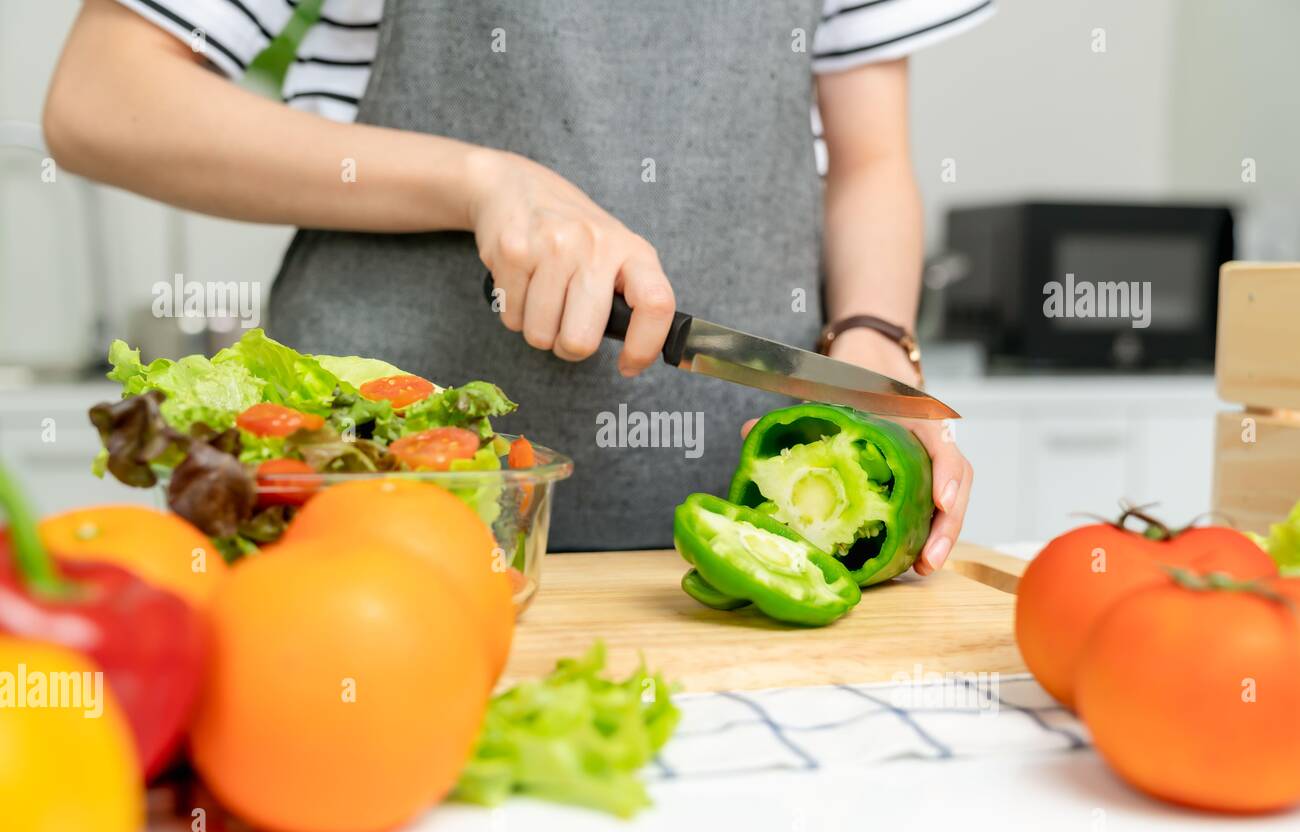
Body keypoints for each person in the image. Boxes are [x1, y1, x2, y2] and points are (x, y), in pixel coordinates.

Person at [44, 0, 987, 566]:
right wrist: (478, 180)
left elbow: (870, 161)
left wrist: (871, 344)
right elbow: (102, 99)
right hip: (367, 520)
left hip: (732, 526)